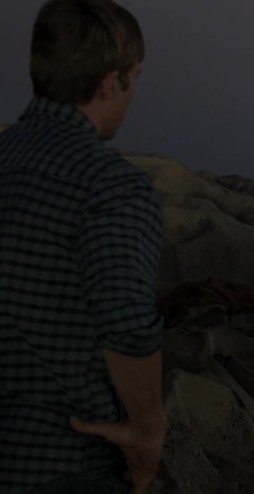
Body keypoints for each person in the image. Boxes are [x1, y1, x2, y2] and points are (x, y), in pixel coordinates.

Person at [0, 1, 164, 493]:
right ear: (110, 83)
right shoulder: (111, 186)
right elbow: (128, 324)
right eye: (135, 77)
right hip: (61, 460)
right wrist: (146, 431)